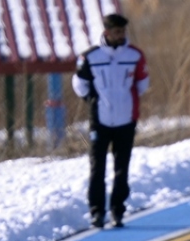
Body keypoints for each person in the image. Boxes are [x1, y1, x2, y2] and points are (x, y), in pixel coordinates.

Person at [72, 13, 149, 229]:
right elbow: (79, 85)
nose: (120, 36)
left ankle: (118, 210)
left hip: (126, 119)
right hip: (100, 120)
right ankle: (97, 212)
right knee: (98, 167)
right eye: (116, 32)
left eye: (123, 32)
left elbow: (142, 84)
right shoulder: (91, 56)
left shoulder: (134, 55)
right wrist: (93, 100)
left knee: (121, 167)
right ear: (106, 32)